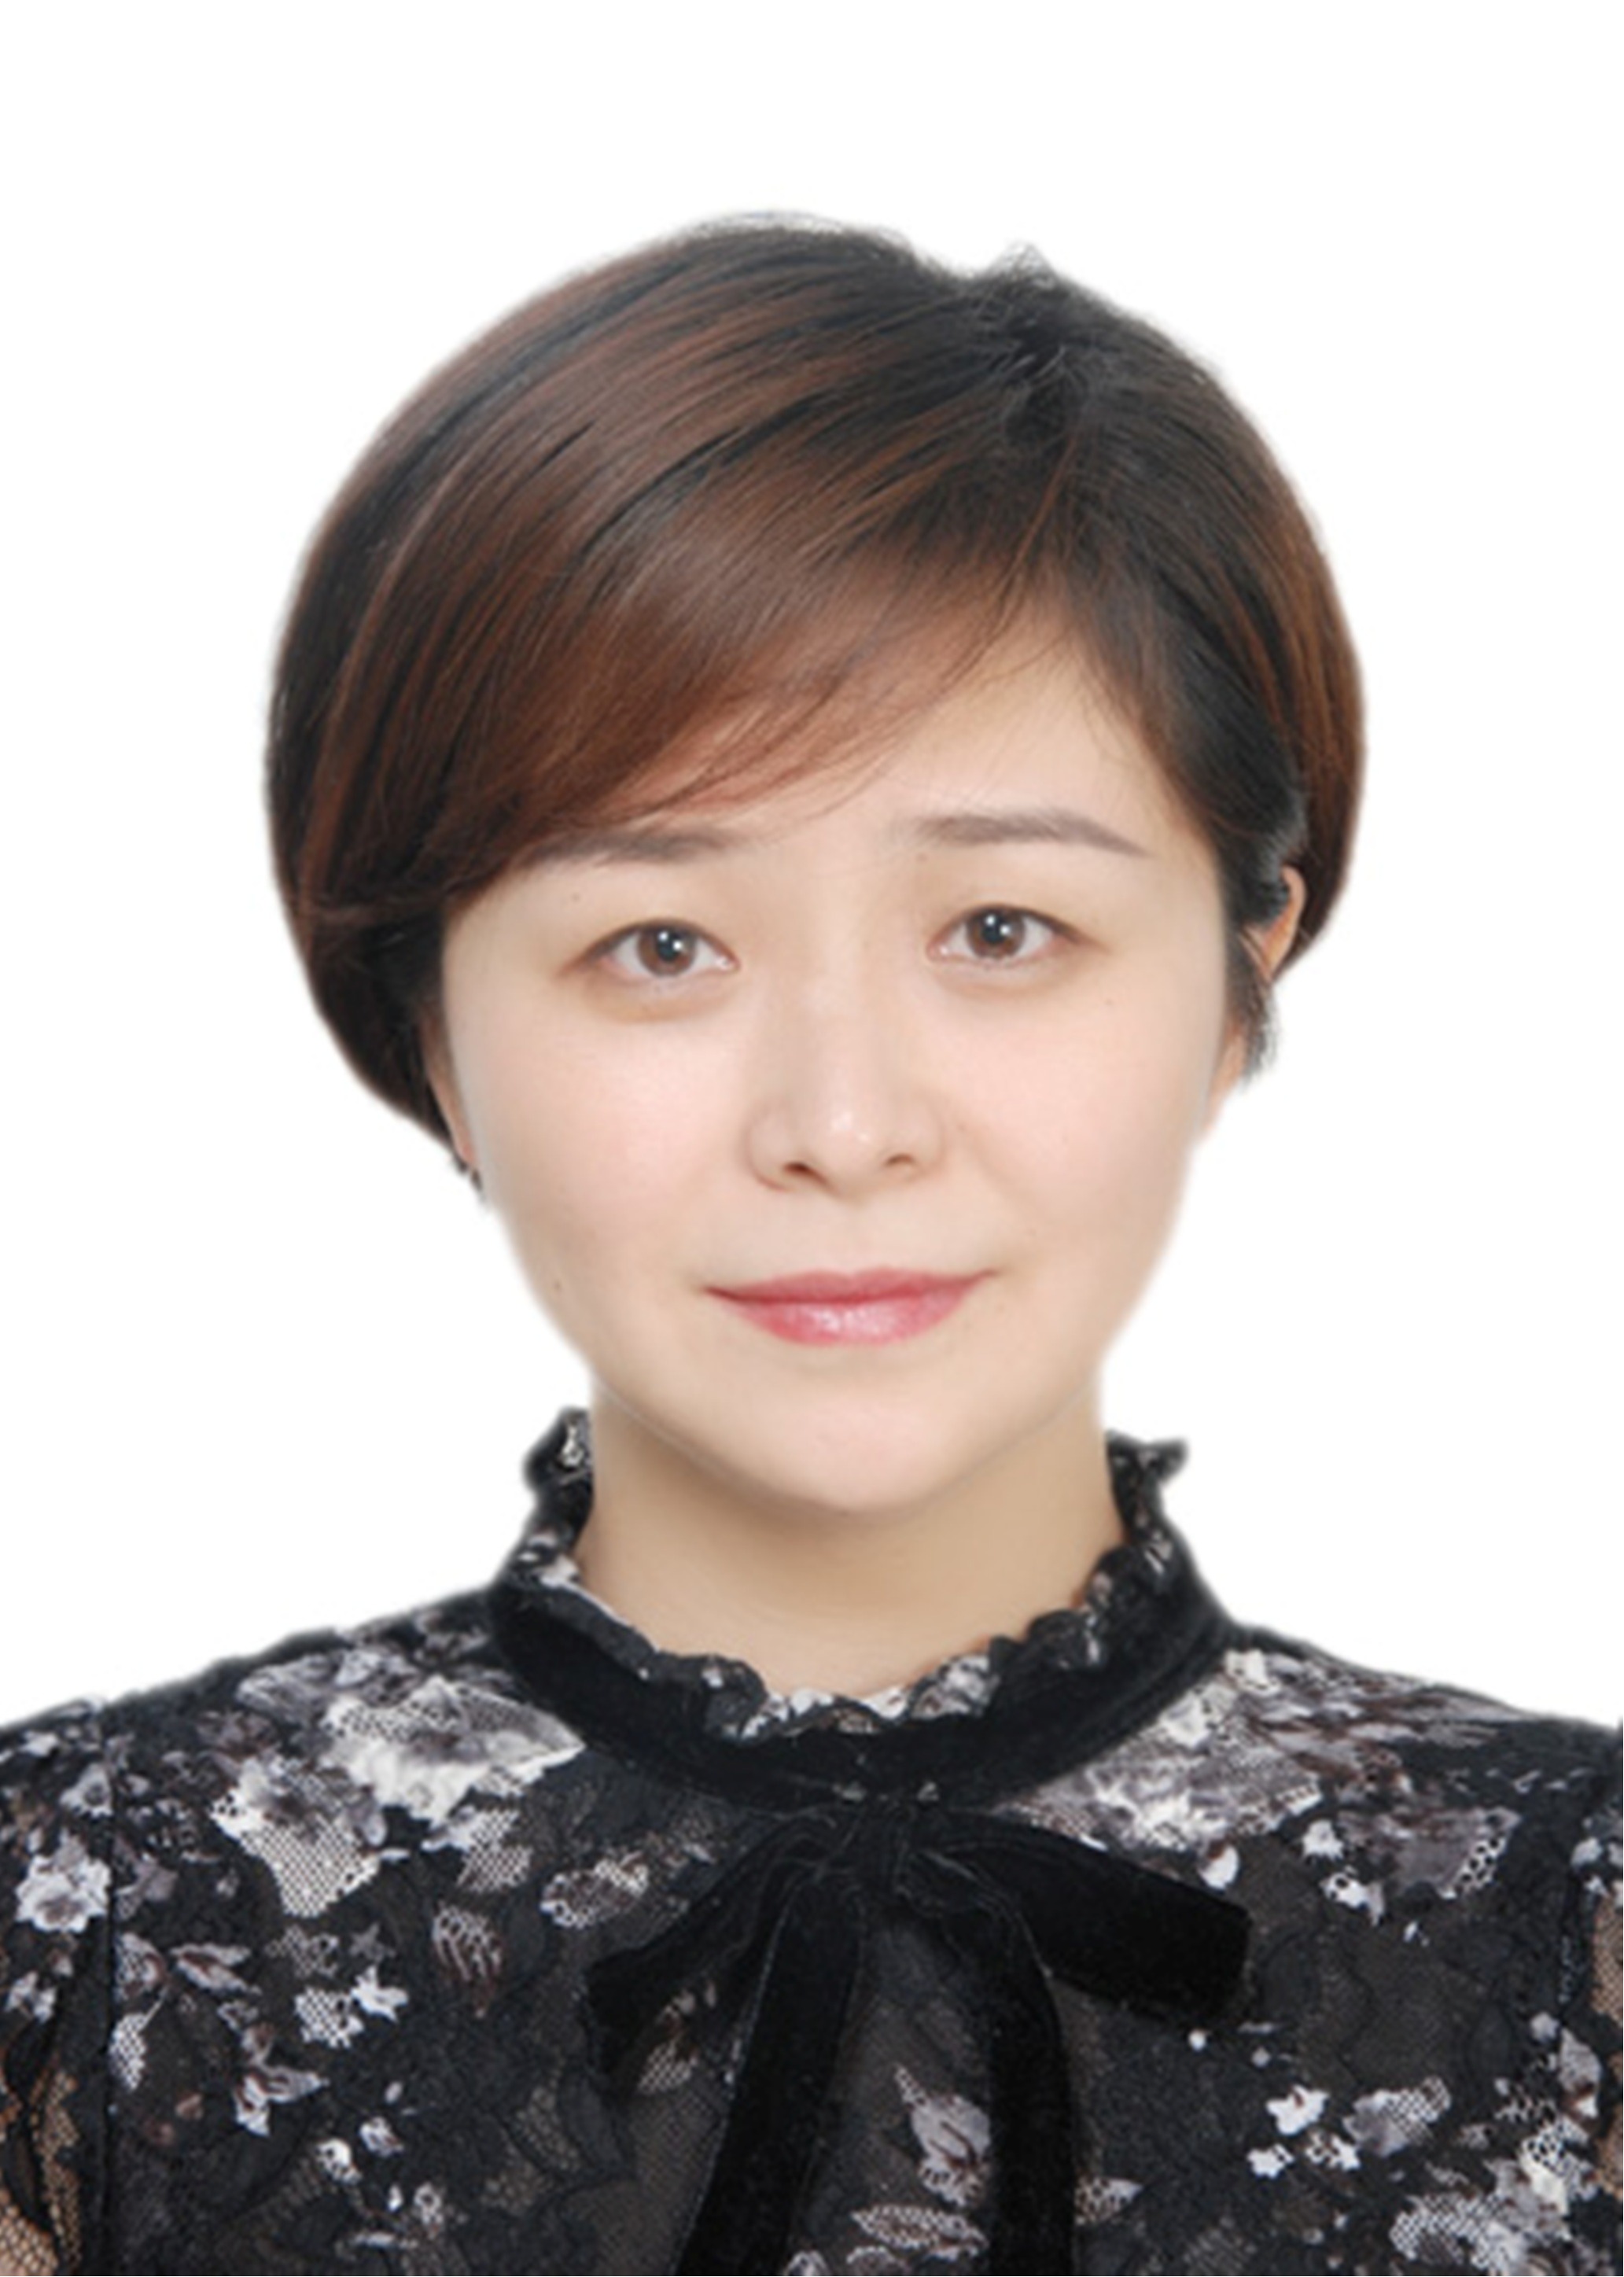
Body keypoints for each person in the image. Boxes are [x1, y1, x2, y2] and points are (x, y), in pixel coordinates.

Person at [0, 219, 1616, 2277]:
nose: (842, 1126)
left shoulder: (1583, 1937)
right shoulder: (79, 1936)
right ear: (433, 1028)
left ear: (1238, 972)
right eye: (659, 945)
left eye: (1002, 930)